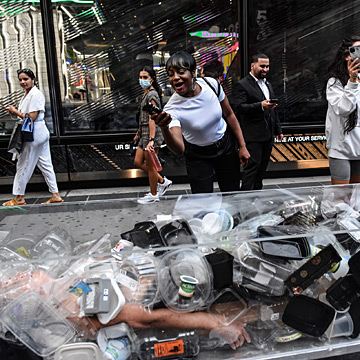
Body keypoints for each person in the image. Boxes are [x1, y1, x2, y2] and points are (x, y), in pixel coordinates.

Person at [153, 51, 250, 194]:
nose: (175, 78)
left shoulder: (211, 85)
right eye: (171, 74)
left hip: (226, 147)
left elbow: (229, 115)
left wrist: (242, 146)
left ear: (193, 72)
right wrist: (164, 128)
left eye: (180, 72)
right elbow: (179, 149)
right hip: (198, 155)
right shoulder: (172, 108)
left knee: (232, 195)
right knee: (202, 201)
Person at [2, 69, 63, 206]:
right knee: (46, 164)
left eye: (25, 79)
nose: (22, 82)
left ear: (33, 79)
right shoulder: (29, 94)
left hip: (34, 134)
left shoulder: (35, 95)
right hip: (39, 133)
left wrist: (14, 111)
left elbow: (31, 118)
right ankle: (56, 195)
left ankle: (19, 198)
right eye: (20, 80)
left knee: (23, 165)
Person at [233, 53, 283, 190]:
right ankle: (244, 201)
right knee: (251, 171)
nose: (265, 69)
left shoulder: (268, 84)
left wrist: (278, 130)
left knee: (261, 171)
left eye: (267, 66)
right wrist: (260, 106)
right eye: (262, 66)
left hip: (268, 135)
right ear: (252, 66)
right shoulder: (242, 85)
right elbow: (239, 107)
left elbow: (273, 109)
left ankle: (256, 198)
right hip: (252, 137)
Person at [324, 36, 360, 185]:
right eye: (357, 49)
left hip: (358, 145)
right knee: (341, 197)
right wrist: (352, 82)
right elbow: (344, 109)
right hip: (341, 147)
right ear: (347, 55)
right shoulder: (334, 82)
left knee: (357, 196)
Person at [133, 66, 172, 204]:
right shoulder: (145, 93)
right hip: (144, 133)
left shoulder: (152, 95)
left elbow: (152, 118)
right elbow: (143, 116)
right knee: (138, 161)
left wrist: (151, 139)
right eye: (141, 77)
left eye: (145, 77)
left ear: (152, 79)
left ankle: (153, 194)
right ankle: (162, 180)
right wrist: (139, 133)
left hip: (151, 134)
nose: (142, 80)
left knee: (151, 166)